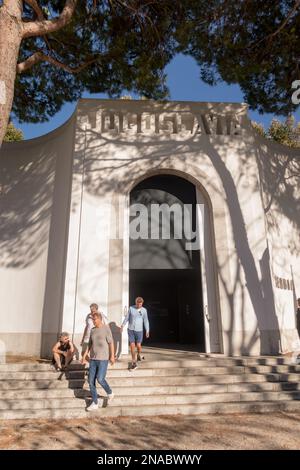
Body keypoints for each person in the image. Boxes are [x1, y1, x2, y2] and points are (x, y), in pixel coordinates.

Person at [82, 312, 115, 411]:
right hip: (93, 359)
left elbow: (111, 343)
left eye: (95, 320)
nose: (93, 321)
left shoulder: (106, 328)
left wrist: (112, 356)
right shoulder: (92, 330)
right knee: (91, 381)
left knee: (100, 379)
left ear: (100, 319)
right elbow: (90, 344)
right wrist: (84, 356)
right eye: (92, 320)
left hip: (103, 359)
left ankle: (110, 392)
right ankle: (95, 403)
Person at [121, 297, 149, 370]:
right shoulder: (131, 308)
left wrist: (147, 330)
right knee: (132, 346)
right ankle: (134, 361)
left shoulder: (144, 310)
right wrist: (122, 325)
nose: (138, 305)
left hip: (139, 330)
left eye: (140, 304)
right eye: (137, 303)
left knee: (138, 345)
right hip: (131, 329)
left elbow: (146, 321)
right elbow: (127, 318)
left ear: (142, 303)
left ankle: (139, 354)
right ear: (135, 302)